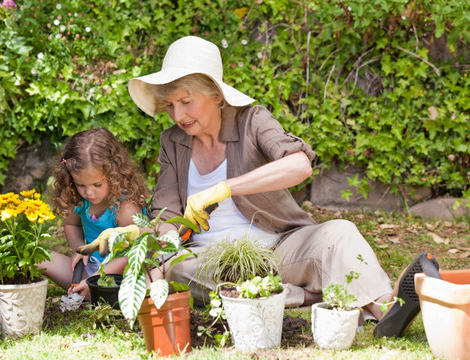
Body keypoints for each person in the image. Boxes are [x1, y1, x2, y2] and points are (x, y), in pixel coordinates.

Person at [126, 35, 439, 337]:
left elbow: (299, 165)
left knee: (339, 233)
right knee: (178, 271)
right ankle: (310, 297)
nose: (177, 115)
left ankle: (387, 311)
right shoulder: (172, 141)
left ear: (216, 95)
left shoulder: (252, 120)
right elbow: (165, 214)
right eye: (169, 105)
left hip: (278, 250)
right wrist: (162, 253)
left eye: (186, 101)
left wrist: (225, 188)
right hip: (212, 263)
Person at [39, 128, 148, 299]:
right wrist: (80, 250)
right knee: (38, 257)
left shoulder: (125, 207)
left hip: (117, 280)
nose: (89, 192)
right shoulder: (80, 200)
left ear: (113, 174)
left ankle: (89, 294)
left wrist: (95, 280)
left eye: (97, 185)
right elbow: (71, 224)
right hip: (86, 273)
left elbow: (133, 256)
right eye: (81, 185)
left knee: (105, 291)